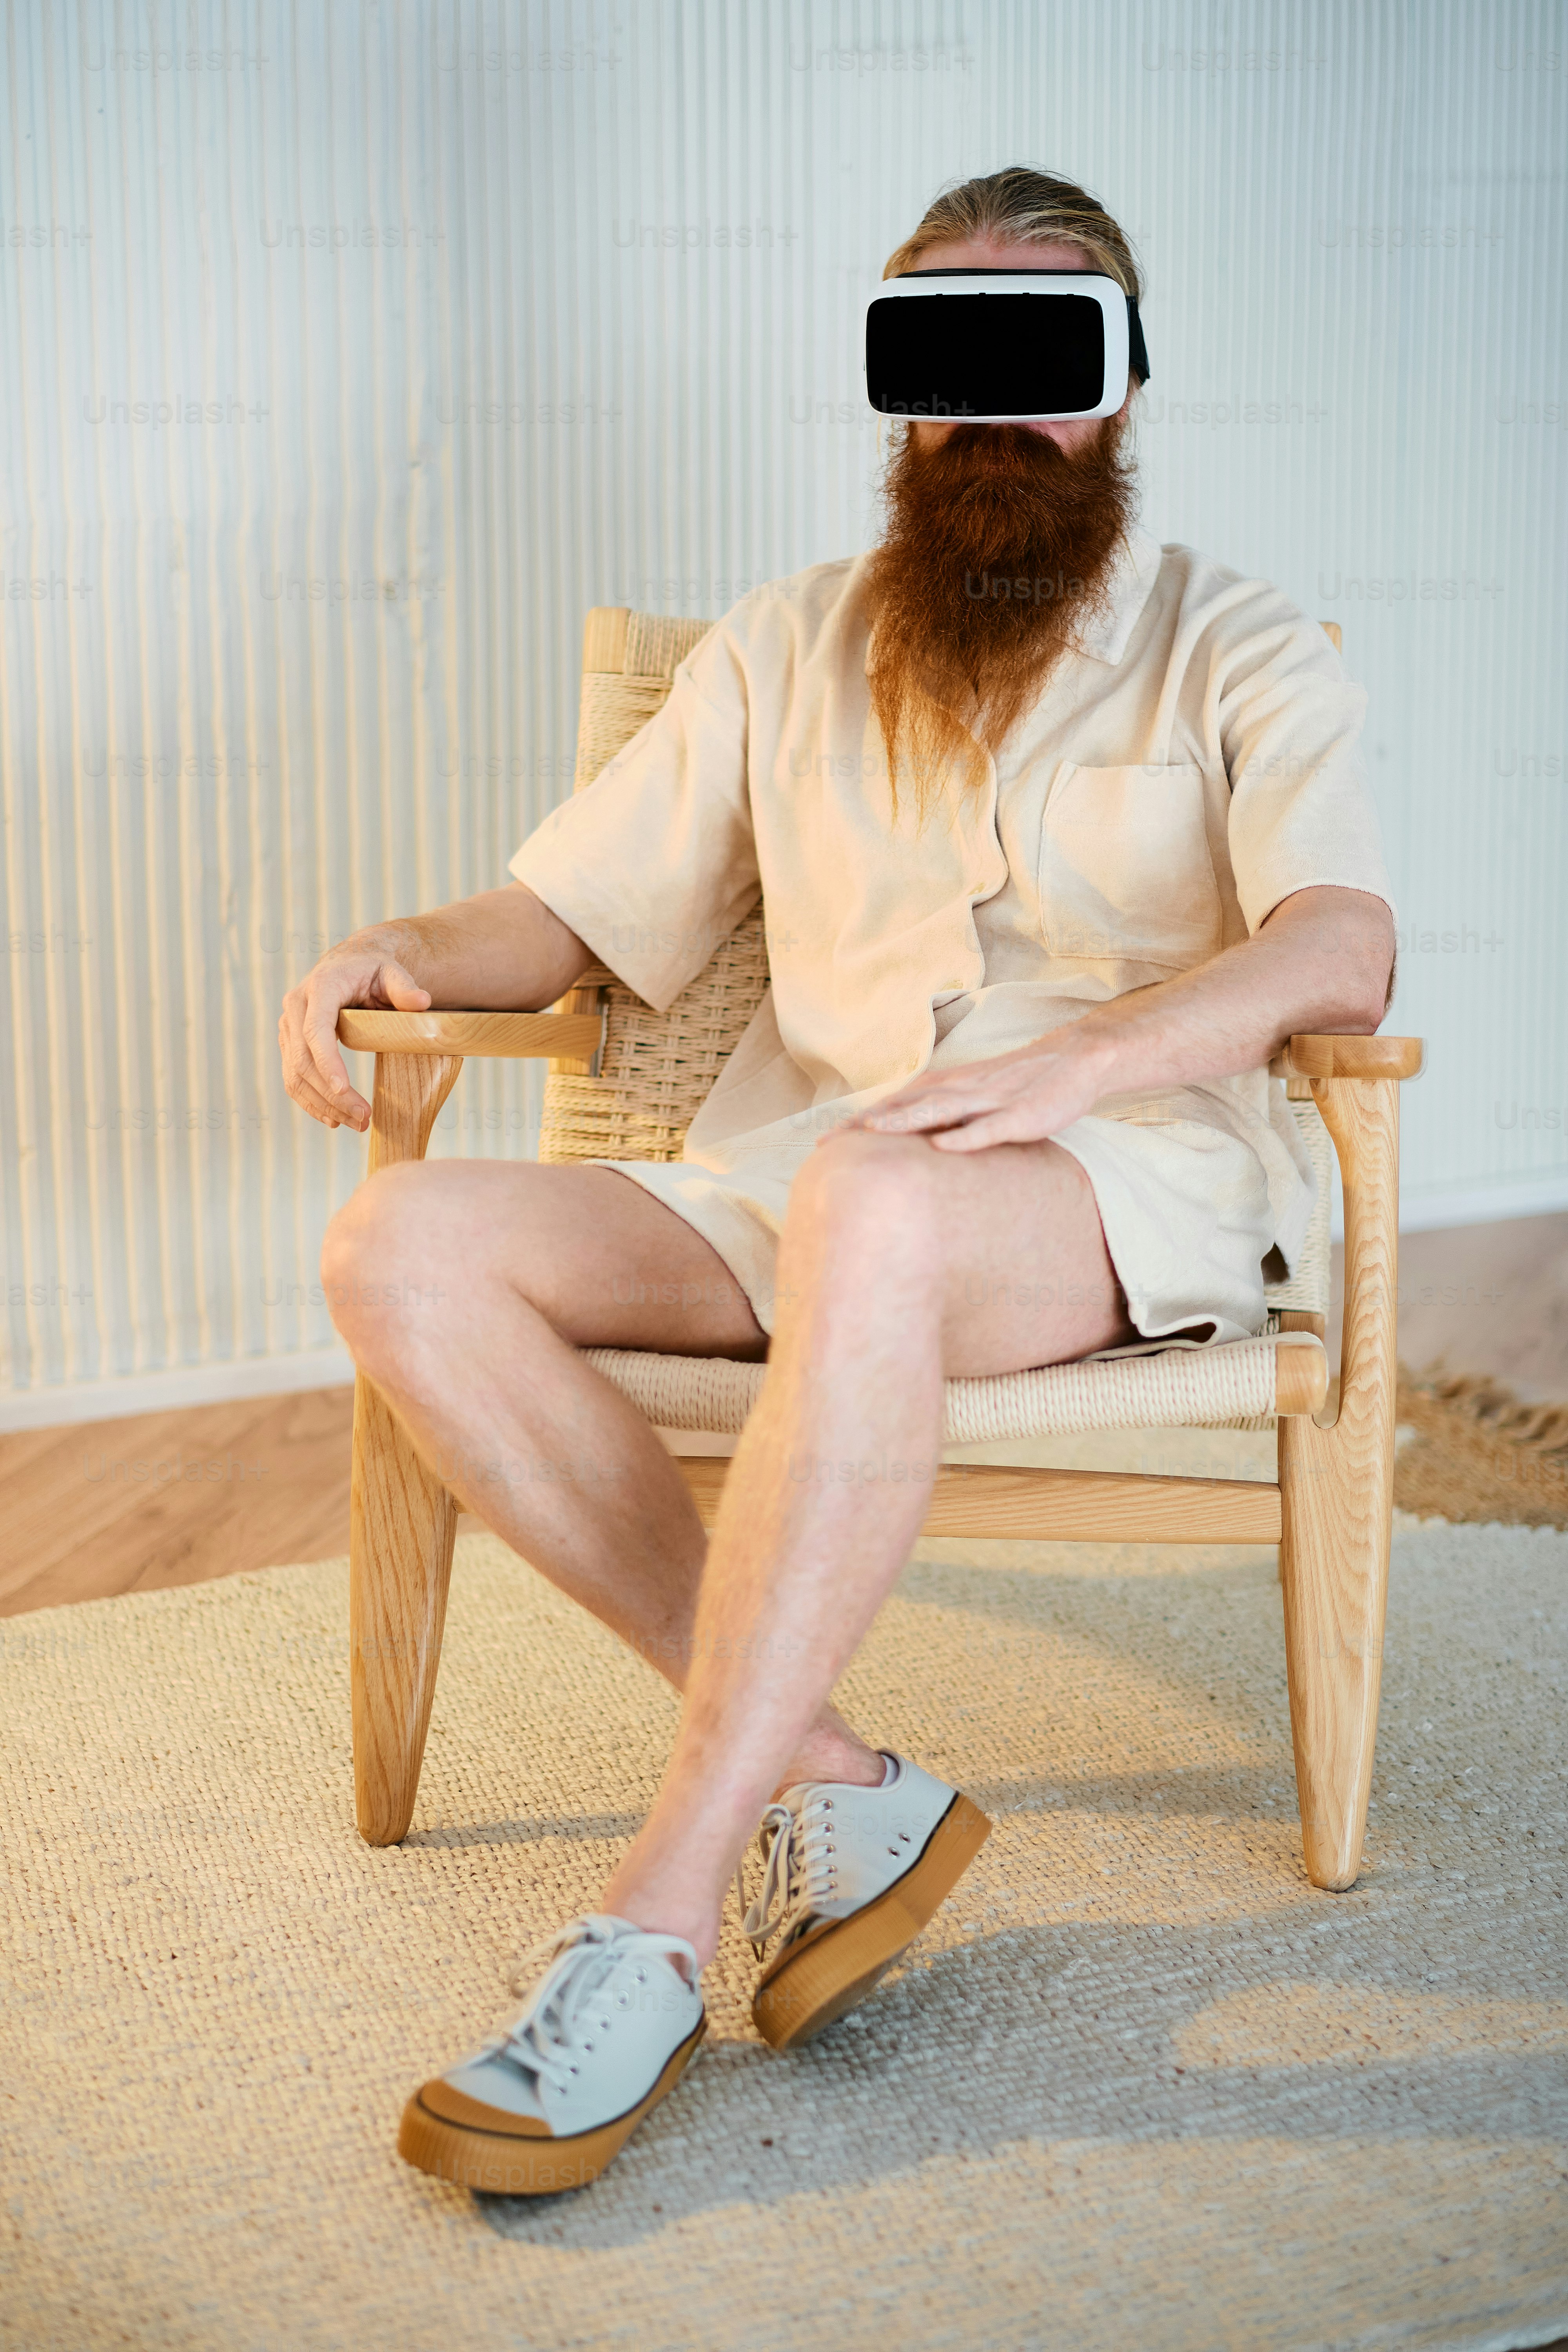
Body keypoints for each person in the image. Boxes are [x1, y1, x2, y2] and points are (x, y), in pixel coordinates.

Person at [279, 167, 1396, 2196]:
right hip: (810, 1180)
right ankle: (837, 1781)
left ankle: (655, 1919)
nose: (991, 411)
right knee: (401, 1241)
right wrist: (402, 949)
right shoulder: (785, 647)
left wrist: (1095, 1056)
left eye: (1041, 359)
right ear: (894, 398)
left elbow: (1340, 947)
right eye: (943, 360)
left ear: (1125, 387)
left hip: (1118, 1183)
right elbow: (560, 914)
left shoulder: (1238, 647)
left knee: (874, 1194)